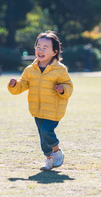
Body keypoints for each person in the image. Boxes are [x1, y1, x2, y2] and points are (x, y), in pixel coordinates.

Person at [8, 31, 73, 171]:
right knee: (43, 138)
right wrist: (14, 85)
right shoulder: (30, 70)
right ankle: (49, 160)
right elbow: (22, 84)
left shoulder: (60, 70)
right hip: (37, 109)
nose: (40, 50)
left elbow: (69, 86)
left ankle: (57, 151)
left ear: (54, 52)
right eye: (38, 46)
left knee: (46, 130)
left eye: (45, 47)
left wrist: (62, 89)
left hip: (54, 109)